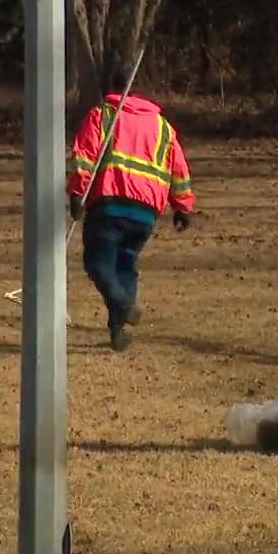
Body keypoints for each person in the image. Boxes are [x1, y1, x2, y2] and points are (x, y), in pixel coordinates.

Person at [67, 67, 196, 351]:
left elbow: (84, 155)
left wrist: (77, 192)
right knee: (125, 265)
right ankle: (117, 332)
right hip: (146, 212)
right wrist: (182, 207)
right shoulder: (163, 126)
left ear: (112, 88)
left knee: (98, 262)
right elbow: (179, 168)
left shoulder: (104, 115)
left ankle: (124, 306)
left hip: (110, 203)